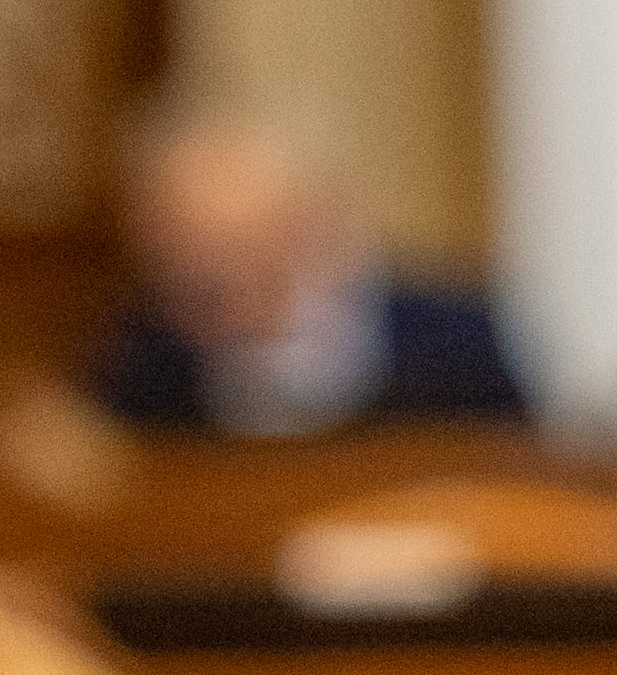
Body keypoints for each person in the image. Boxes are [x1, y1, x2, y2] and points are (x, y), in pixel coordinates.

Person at [82, 104, 532, 436]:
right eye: (181, 261)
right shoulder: (146, 352)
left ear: (316, 231)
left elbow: (515, 479)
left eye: (243, 251)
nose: (208, 280)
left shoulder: (455, 337)